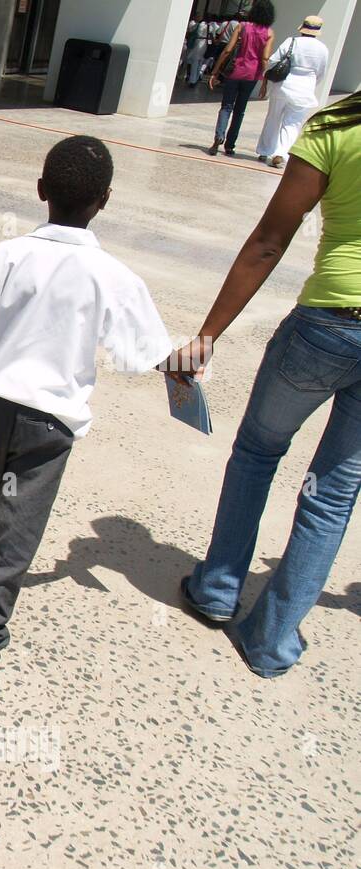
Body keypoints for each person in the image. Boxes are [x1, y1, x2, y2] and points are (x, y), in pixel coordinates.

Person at [0, 136, 176, 666]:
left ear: (41, 189)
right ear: (107, 199)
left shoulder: (8, 254)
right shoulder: (114, 276)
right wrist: (191, 360)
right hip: (50, 420)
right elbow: (149, 352)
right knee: (22, 518)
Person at [177, 92, 361, 678]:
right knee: (332, 494)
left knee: (259, 451)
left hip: (328, 324)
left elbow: (268, 241)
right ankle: (273, 640)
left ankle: (217, 588)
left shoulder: (338, 125)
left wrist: (208, 334)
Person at [256, 15, 329, 168]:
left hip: (283, 85)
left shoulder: (292, 41)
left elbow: (274, 61)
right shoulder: (323, 49)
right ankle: (280, 154)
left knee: (273, 118)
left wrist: (266, 79)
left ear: (302, 27)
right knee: (292, 123)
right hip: (305, 89)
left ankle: (265, 150)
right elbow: (321, 73)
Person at [207, 1, 277, 158]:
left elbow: (228, 50)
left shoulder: (242, 26)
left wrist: (215, 72)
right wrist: (265, 81)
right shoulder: (269, 33)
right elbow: (265, 58)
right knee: (240, 110)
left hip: (235, 72)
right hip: (252, 75)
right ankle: (230, 145)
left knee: (226, 106)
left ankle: (219, 136)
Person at [185, 19, 210, 87]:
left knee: (194, 62)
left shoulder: (198, 25)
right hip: (205, 45)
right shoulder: (209, 26)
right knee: (200, 62)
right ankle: (196, 78)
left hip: (197, 43)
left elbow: (190, 30)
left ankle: (192, 80)